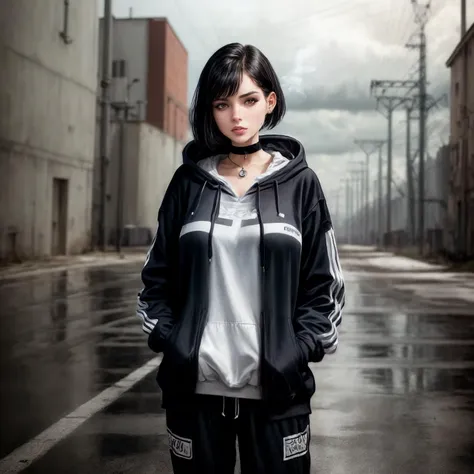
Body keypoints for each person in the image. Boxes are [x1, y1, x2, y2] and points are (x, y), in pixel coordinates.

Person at [136, 42, 345, 474]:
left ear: (269, 102)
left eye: (249, 100)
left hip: (278, 396)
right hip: (195, 395)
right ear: (210, 111)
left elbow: (324, 287)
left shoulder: (300, 184)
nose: (237, 115)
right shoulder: (188, 183)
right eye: (222, 103)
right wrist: (174, 343)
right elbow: (155, 281)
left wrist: (296, 350)